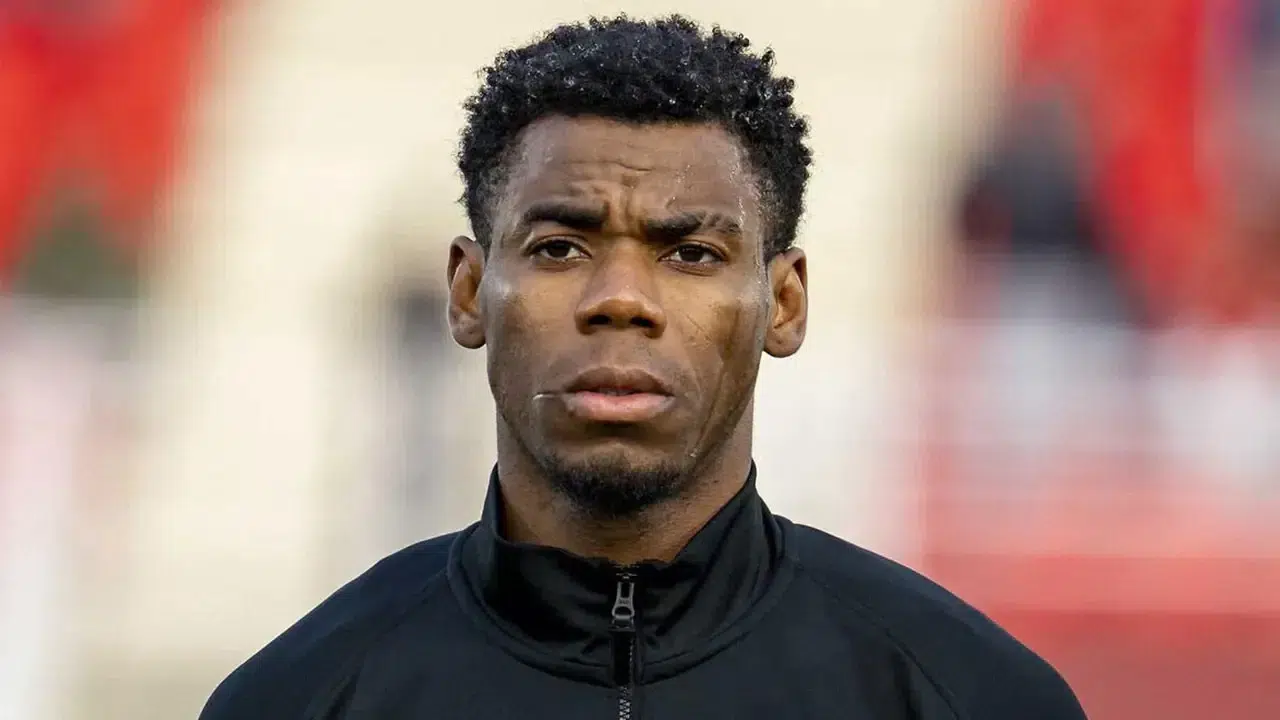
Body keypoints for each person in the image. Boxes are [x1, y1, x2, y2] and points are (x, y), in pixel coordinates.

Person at [199, 15, 1086, 719]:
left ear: (784, 304)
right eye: (559, 247)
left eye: (691, 254)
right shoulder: (301, 698)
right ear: (468, 292)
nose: (621, 299)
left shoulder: (965, 695)